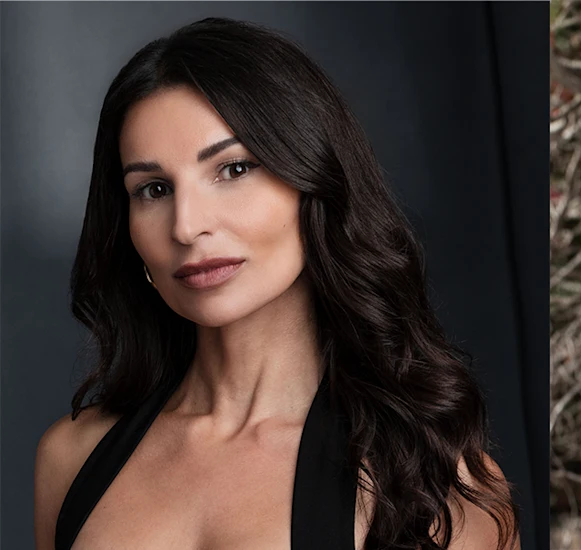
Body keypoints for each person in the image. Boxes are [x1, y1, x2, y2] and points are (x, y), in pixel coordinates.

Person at [33, 17, 518, 550]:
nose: (187, 225)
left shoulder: (437, 485)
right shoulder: (70, 458)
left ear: (313, 181)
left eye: (234, 169)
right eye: (152, 189)